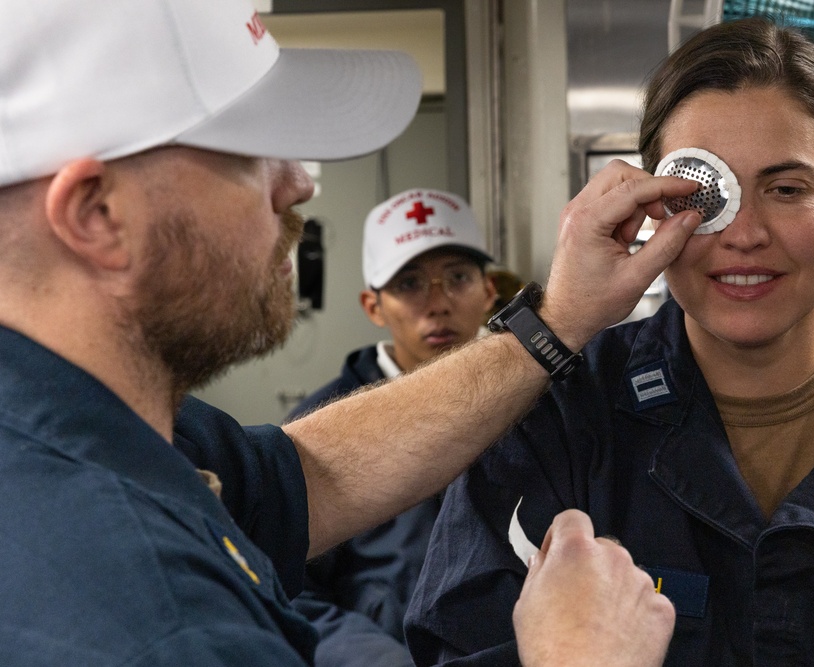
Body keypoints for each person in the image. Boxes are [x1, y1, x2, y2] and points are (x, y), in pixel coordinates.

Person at [0, 0, 702, 665]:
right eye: (250, 152)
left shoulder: (90, 427)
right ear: (96, 215)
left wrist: (555, 323)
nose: (299, 183)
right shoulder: (157, 621)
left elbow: (306, 477)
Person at [404, 16, 814, 667]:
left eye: (787, 188)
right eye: (707, 194)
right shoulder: (549, 428)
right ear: (650, 201)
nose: (744, 234)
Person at [288, 189, 497, 667]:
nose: (438, 303)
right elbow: (288, 588)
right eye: (409, 284)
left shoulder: (546, 403)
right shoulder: (318, 433)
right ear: (373, 306)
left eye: (458, 278)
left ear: (489, 291)